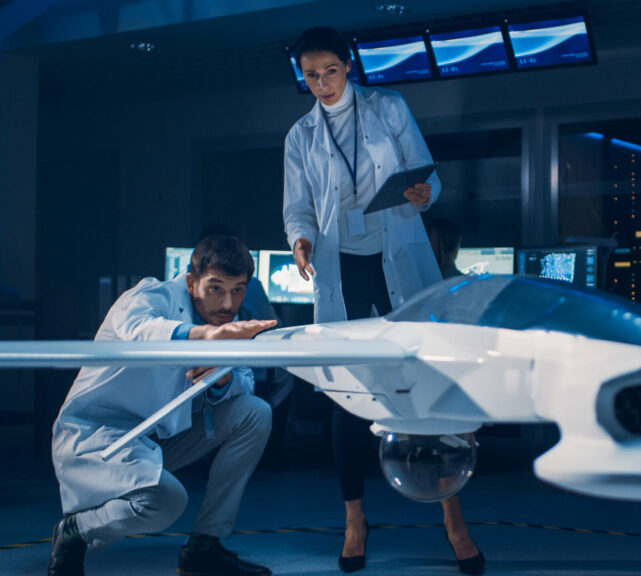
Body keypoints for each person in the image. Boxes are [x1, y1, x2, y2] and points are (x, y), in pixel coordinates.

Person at [282, 26, 484, 575]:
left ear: (348, 67)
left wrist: (425, 192)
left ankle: (453, 520)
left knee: (425, 388)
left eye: (329, 70)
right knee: (348, 398)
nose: (321, 83)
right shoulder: (299, 135)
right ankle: (355, 520)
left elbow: (427, 176)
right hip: (341, 267)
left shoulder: (388, 107)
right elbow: (297, 207)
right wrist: (299, 240)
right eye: (310, 75)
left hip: (396, 254)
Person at [47, 236, 277, 576]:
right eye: (216, 288)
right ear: (190, 282)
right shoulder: (150, 295)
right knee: (167, 502)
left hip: (153, 437)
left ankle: (204, 548)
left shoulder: (227, 319)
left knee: (254, 412)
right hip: (98, 437)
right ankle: (74, 531)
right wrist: (202, 337)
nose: (228, 303)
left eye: (238, 289)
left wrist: (221, 380)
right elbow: (139, 330)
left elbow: (244, 378)